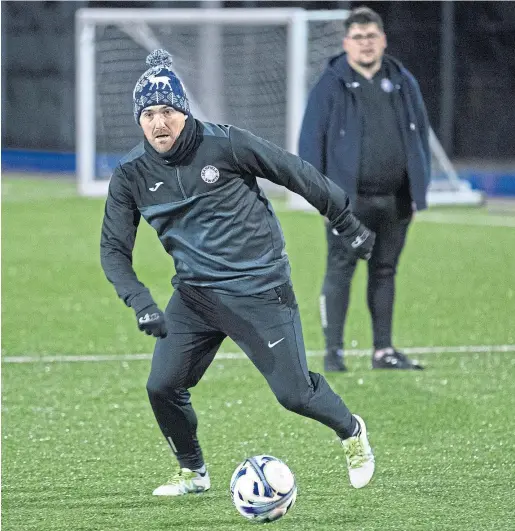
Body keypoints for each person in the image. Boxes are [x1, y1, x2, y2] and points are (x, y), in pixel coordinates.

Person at [100, 49, 376, 497]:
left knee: (295, 395)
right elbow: (113, 249)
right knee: (162, 385)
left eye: (167, 110)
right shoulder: (131, 175)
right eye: (148, 114)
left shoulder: (225, 144)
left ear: (183, 112)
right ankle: (193, 472)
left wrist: (345, 220)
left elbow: (294, 172)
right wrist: (140, 300)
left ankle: (351, 431)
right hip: (195, 295)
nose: (158, 123)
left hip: (260, 289)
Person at [299, 6, 430, 372]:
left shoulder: (403, 80)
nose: (366, 44)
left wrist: (418, 191)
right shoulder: (330, 83)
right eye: (358, 38)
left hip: (396, 200)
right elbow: (310, 144)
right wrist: (323, 199)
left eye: (371, 36)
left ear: (383, 40)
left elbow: (419, 138)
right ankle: (334, 353)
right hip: (347, 203)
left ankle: (383, 351)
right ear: (346, 43)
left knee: (385, 271)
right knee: (340, 271)